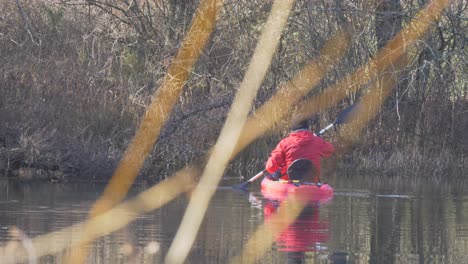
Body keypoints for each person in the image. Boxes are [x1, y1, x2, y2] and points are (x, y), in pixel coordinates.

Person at [265, 114, 335, 183]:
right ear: (307, 127)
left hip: (289, 182)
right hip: (311, 182)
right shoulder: (318, 142)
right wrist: (318, 141)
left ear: (293, 129)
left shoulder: (285, 143)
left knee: (273, 174)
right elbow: (331, 150)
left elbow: (271, 167)